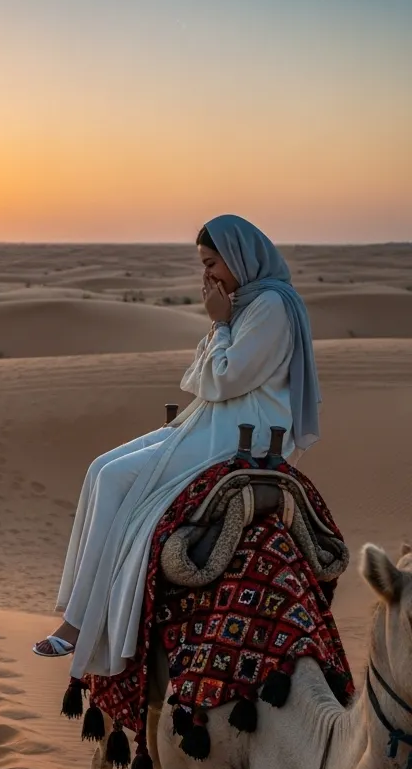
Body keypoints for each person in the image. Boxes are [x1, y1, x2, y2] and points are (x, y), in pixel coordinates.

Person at [33, 214, 321, 680]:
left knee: (116, 477)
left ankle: (79, 626)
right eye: (202, 265)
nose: (206, 275)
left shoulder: (269, 306)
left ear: (238, 259)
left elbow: (223, 379)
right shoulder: (242, 303)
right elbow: (197, 379)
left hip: (246, 426)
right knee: (99, 466)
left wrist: (221, 325)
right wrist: (222, 327)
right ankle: (78, 611)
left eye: (212, 264)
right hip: (217, 416)